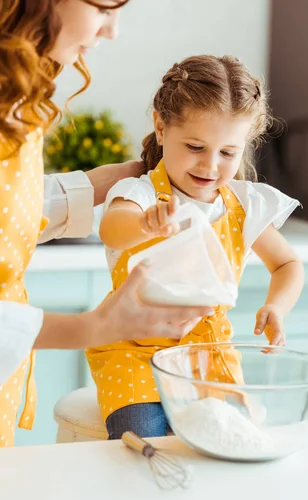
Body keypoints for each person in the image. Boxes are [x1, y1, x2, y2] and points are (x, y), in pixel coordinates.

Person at [0, 1, 212, 448]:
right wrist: (91, 328)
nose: (112, 31)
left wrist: (94, 185)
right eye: (102, 6)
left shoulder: (15, 97)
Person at [86, 54, 305, 439]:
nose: (210, 165)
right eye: (195, 146)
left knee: (232, 444)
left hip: (210, 358)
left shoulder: (244, 204)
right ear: (160, 126)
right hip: (137, 355)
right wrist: (143, 223)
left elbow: (287, 263)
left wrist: (277, 305)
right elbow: (112, 231)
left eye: (227, 153)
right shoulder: (140, 194)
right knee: (143, 439)